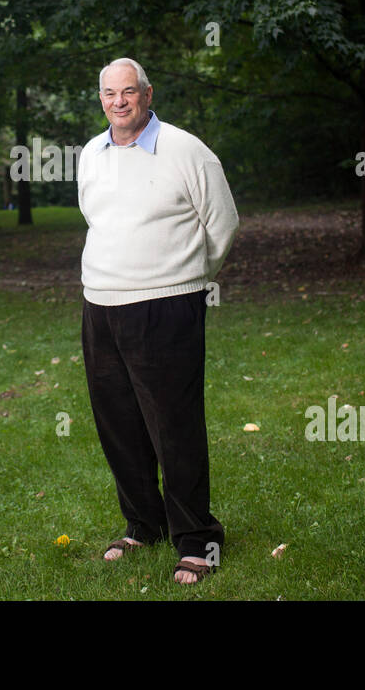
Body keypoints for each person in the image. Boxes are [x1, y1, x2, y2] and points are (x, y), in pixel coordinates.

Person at [77, 57, 239, 585]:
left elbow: (223, 223)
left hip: (166, 305)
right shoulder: (92, 154)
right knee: (119, 424)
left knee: (174, 424)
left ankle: (197, 540)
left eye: (128, 91)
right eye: (109, 93)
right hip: (101, 304)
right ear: (101, 98)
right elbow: (95, 218)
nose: (118, 101)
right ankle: (142, 522)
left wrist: (185, 274)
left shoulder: (185, 149)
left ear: (148, 94)